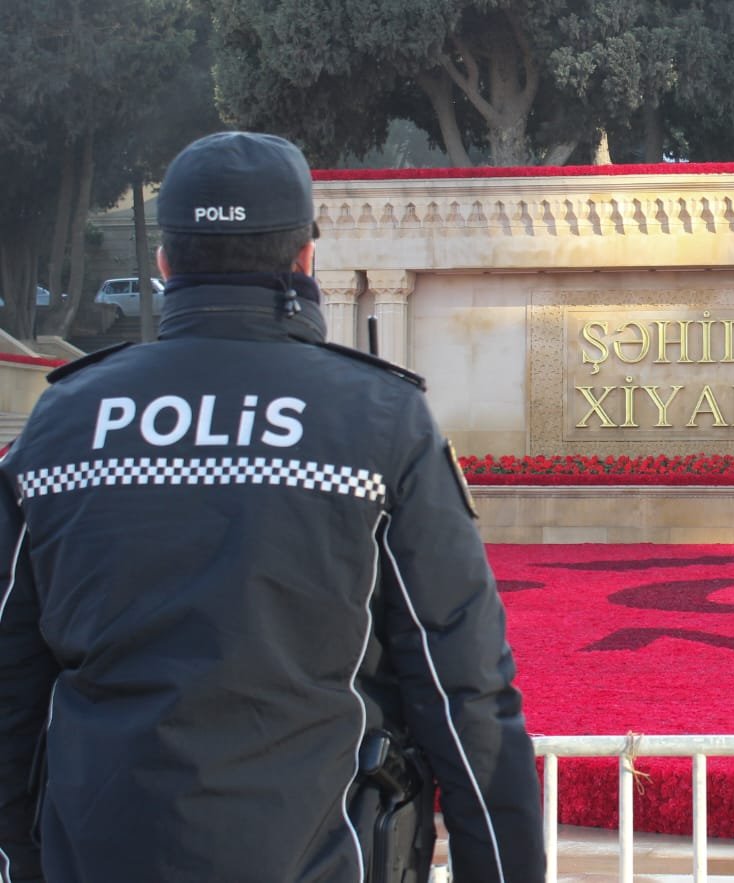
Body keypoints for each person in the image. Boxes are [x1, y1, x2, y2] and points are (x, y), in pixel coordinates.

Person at [0, 132, 544, 882]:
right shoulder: (378, 421)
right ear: (306, 260)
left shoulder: (62, 424)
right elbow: (465, 691)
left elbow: (10, 689)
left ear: (165, 265)